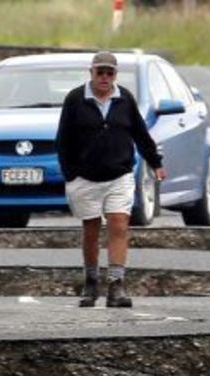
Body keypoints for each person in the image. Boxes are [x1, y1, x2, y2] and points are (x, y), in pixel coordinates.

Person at [56, 51, 166, 308]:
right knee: (91, 230)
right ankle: (91, 282)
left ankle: (116, 286)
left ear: (115, 75)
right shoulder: (75, 99)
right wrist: (70, 174)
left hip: (119, 175)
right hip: (84, 178)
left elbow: (140, 133)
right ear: (91, 73)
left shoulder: (124, 98)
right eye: (100, 72)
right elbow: (63, 141)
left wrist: (155, 162)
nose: (105, 78)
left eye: (110, 73)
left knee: (119, 224)